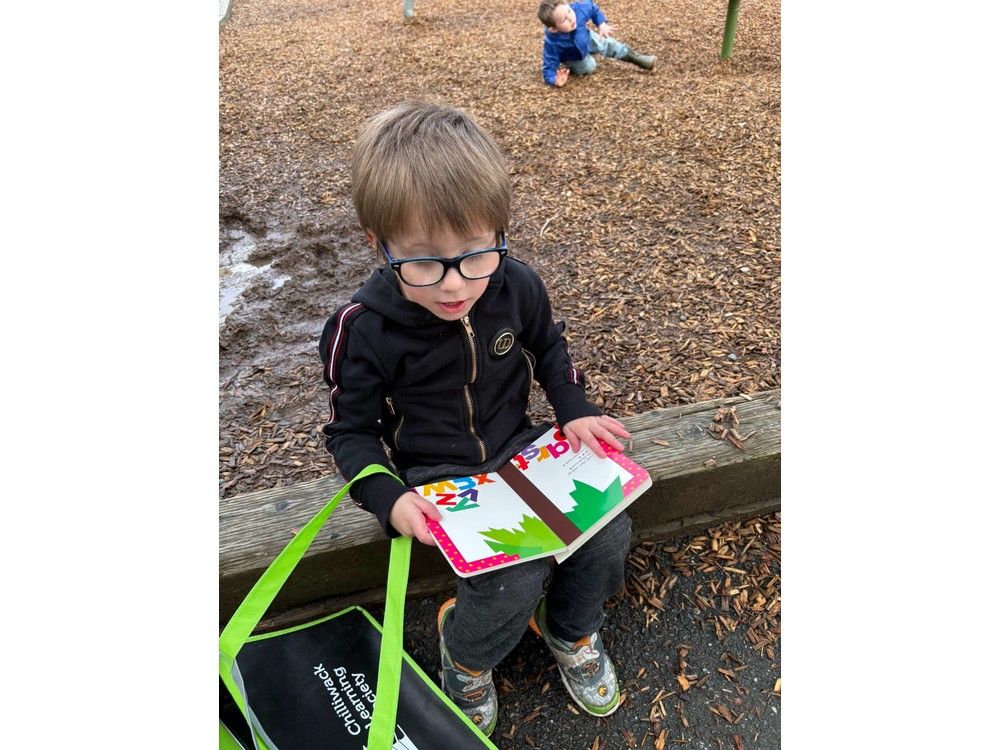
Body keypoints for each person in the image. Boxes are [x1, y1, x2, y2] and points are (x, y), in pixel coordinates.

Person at [319, 100, 634, 736]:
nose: (455, 285)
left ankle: (570, 629)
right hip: (437, 473)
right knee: (512, 575)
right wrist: (388, 497)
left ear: (498, 231)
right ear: (378, 244)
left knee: (607, 530)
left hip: (520, 446)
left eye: (476, 254)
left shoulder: (516, 285)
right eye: (424, 262)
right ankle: (464, 656)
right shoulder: (363, 330)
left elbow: (550, 348)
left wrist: (573, 409)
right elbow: (349, 432)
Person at [538, 0, 656, 87]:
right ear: (553, 29)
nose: (571, 18)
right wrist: (555, 80)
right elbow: (548, 68)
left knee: (607, 43)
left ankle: (636, 58)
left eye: (569, 11)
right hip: (573, 56)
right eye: (564, 19)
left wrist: (601, 24)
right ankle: (573, 66)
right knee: (590, 67)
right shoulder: (553, 43)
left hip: (586, 38)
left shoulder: (578, 10)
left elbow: (592, 7)